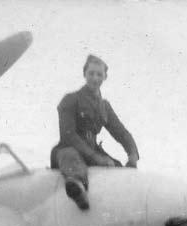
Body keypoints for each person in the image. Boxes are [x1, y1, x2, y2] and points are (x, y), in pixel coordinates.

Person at [51, 54, 140, 210]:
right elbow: (68, 135)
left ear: (105, 77)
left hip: (93, 150)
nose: (94, 78)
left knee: (119, 170)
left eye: (99, 74)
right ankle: (77, 190)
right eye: (91, 73)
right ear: (84, 74)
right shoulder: (71, 99)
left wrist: (132, 155)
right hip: (70, 148)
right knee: (70, 157)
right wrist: (96, 158)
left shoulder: (104, 106)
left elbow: (121, 133)